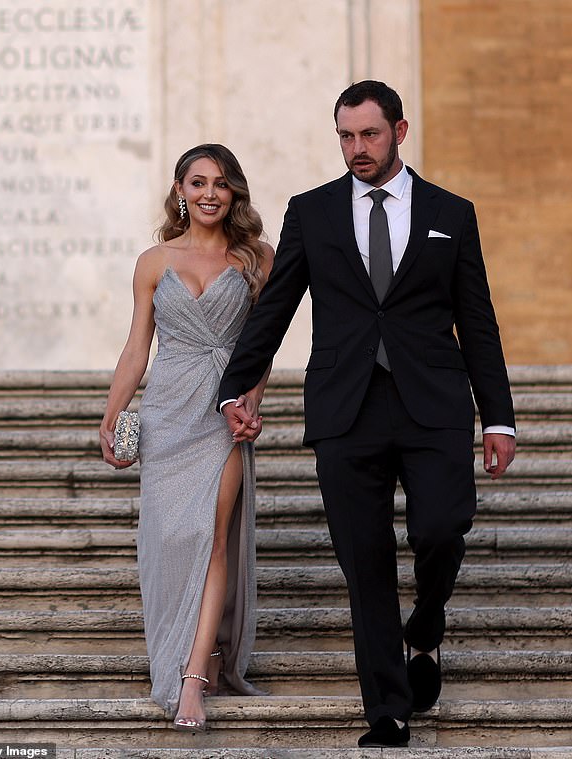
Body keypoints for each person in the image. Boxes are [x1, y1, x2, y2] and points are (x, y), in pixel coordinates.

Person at [218, 81, 516, 748]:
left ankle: (427, 627)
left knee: (442, 524)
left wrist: (499, 417)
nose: (358, 148)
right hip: (345, 406)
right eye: (347, 136)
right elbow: (277, 307)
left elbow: (479, 321)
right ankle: (386, 707)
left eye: (370, 135)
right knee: (366, 559)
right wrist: (234, 386)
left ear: (400, 132)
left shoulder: (451, 212)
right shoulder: (314, 212)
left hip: (434, 403)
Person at [100, 144, 274, 733]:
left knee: (211, 537)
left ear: (234, 194)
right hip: (167, 412)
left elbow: (263, 345)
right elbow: (135, 348)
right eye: (197, 181)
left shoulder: (256, 260)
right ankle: (175, 654)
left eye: (221, 184)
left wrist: (251, 400)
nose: (209, 193)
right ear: (179, 188)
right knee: (167, 539)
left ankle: (194, 679)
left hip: (220, 414)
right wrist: (113, 412)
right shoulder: (153, 261)